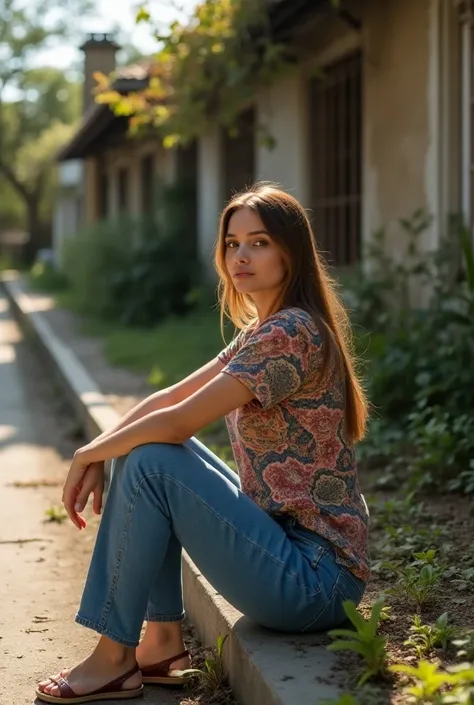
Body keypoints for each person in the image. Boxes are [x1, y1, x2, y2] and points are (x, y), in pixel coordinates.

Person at [36, 182, 370, 703]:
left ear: (292, 251)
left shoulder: (291, 333)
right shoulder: (264, 329)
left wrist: (88, 453)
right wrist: (105, 443)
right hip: (289, 554)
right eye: (232, 243)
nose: (241, 255)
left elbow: (177, 424)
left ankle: (112, 657)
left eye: (259, 242)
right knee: (143, 452)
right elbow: (168, 398)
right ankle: (162, 643)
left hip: (312, 581)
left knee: (151, 459)